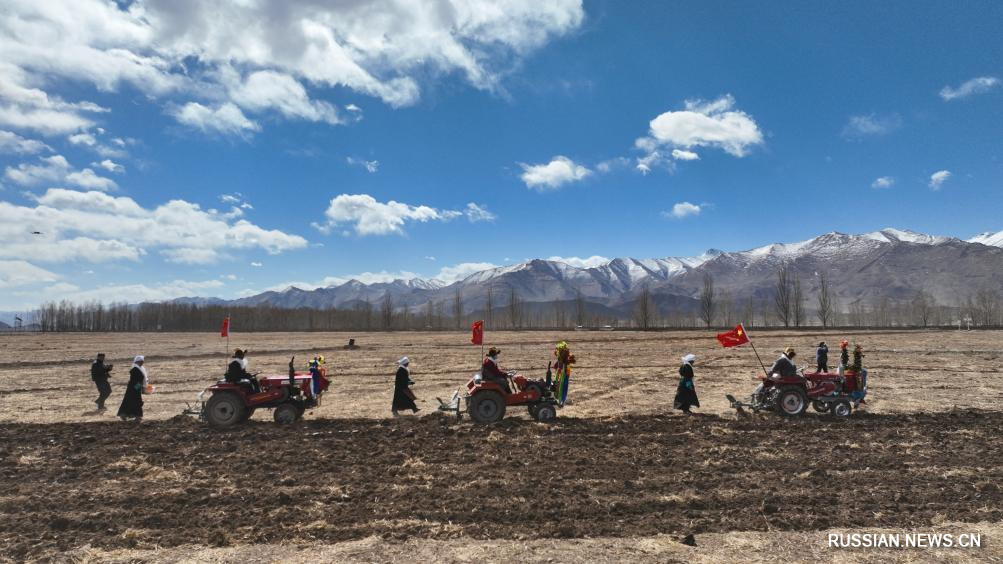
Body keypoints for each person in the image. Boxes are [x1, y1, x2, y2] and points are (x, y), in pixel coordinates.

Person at [117, 355, 146, 421]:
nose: (142, 363)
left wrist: (141, 387)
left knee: (131, 401)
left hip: (135, 387)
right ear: (137, 361)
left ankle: (126, 414)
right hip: (134, 387)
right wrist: (138, 387)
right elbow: (136, 380)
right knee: (135, 401)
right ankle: (137, 416)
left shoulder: (139, 368)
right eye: (141, 361)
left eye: (142, 361)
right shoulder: (135, 369)